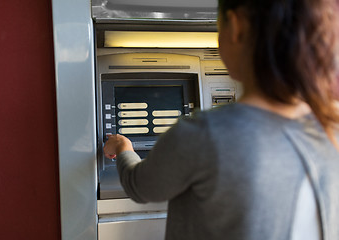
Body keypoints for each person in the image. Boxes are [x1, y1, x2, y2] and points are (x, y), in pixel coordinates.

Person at [104, 0, 339, 239]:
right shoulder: (330, 127)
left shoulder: (204, 133)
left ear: (236, 27)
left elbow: (142, 187)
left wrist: (124, 147)